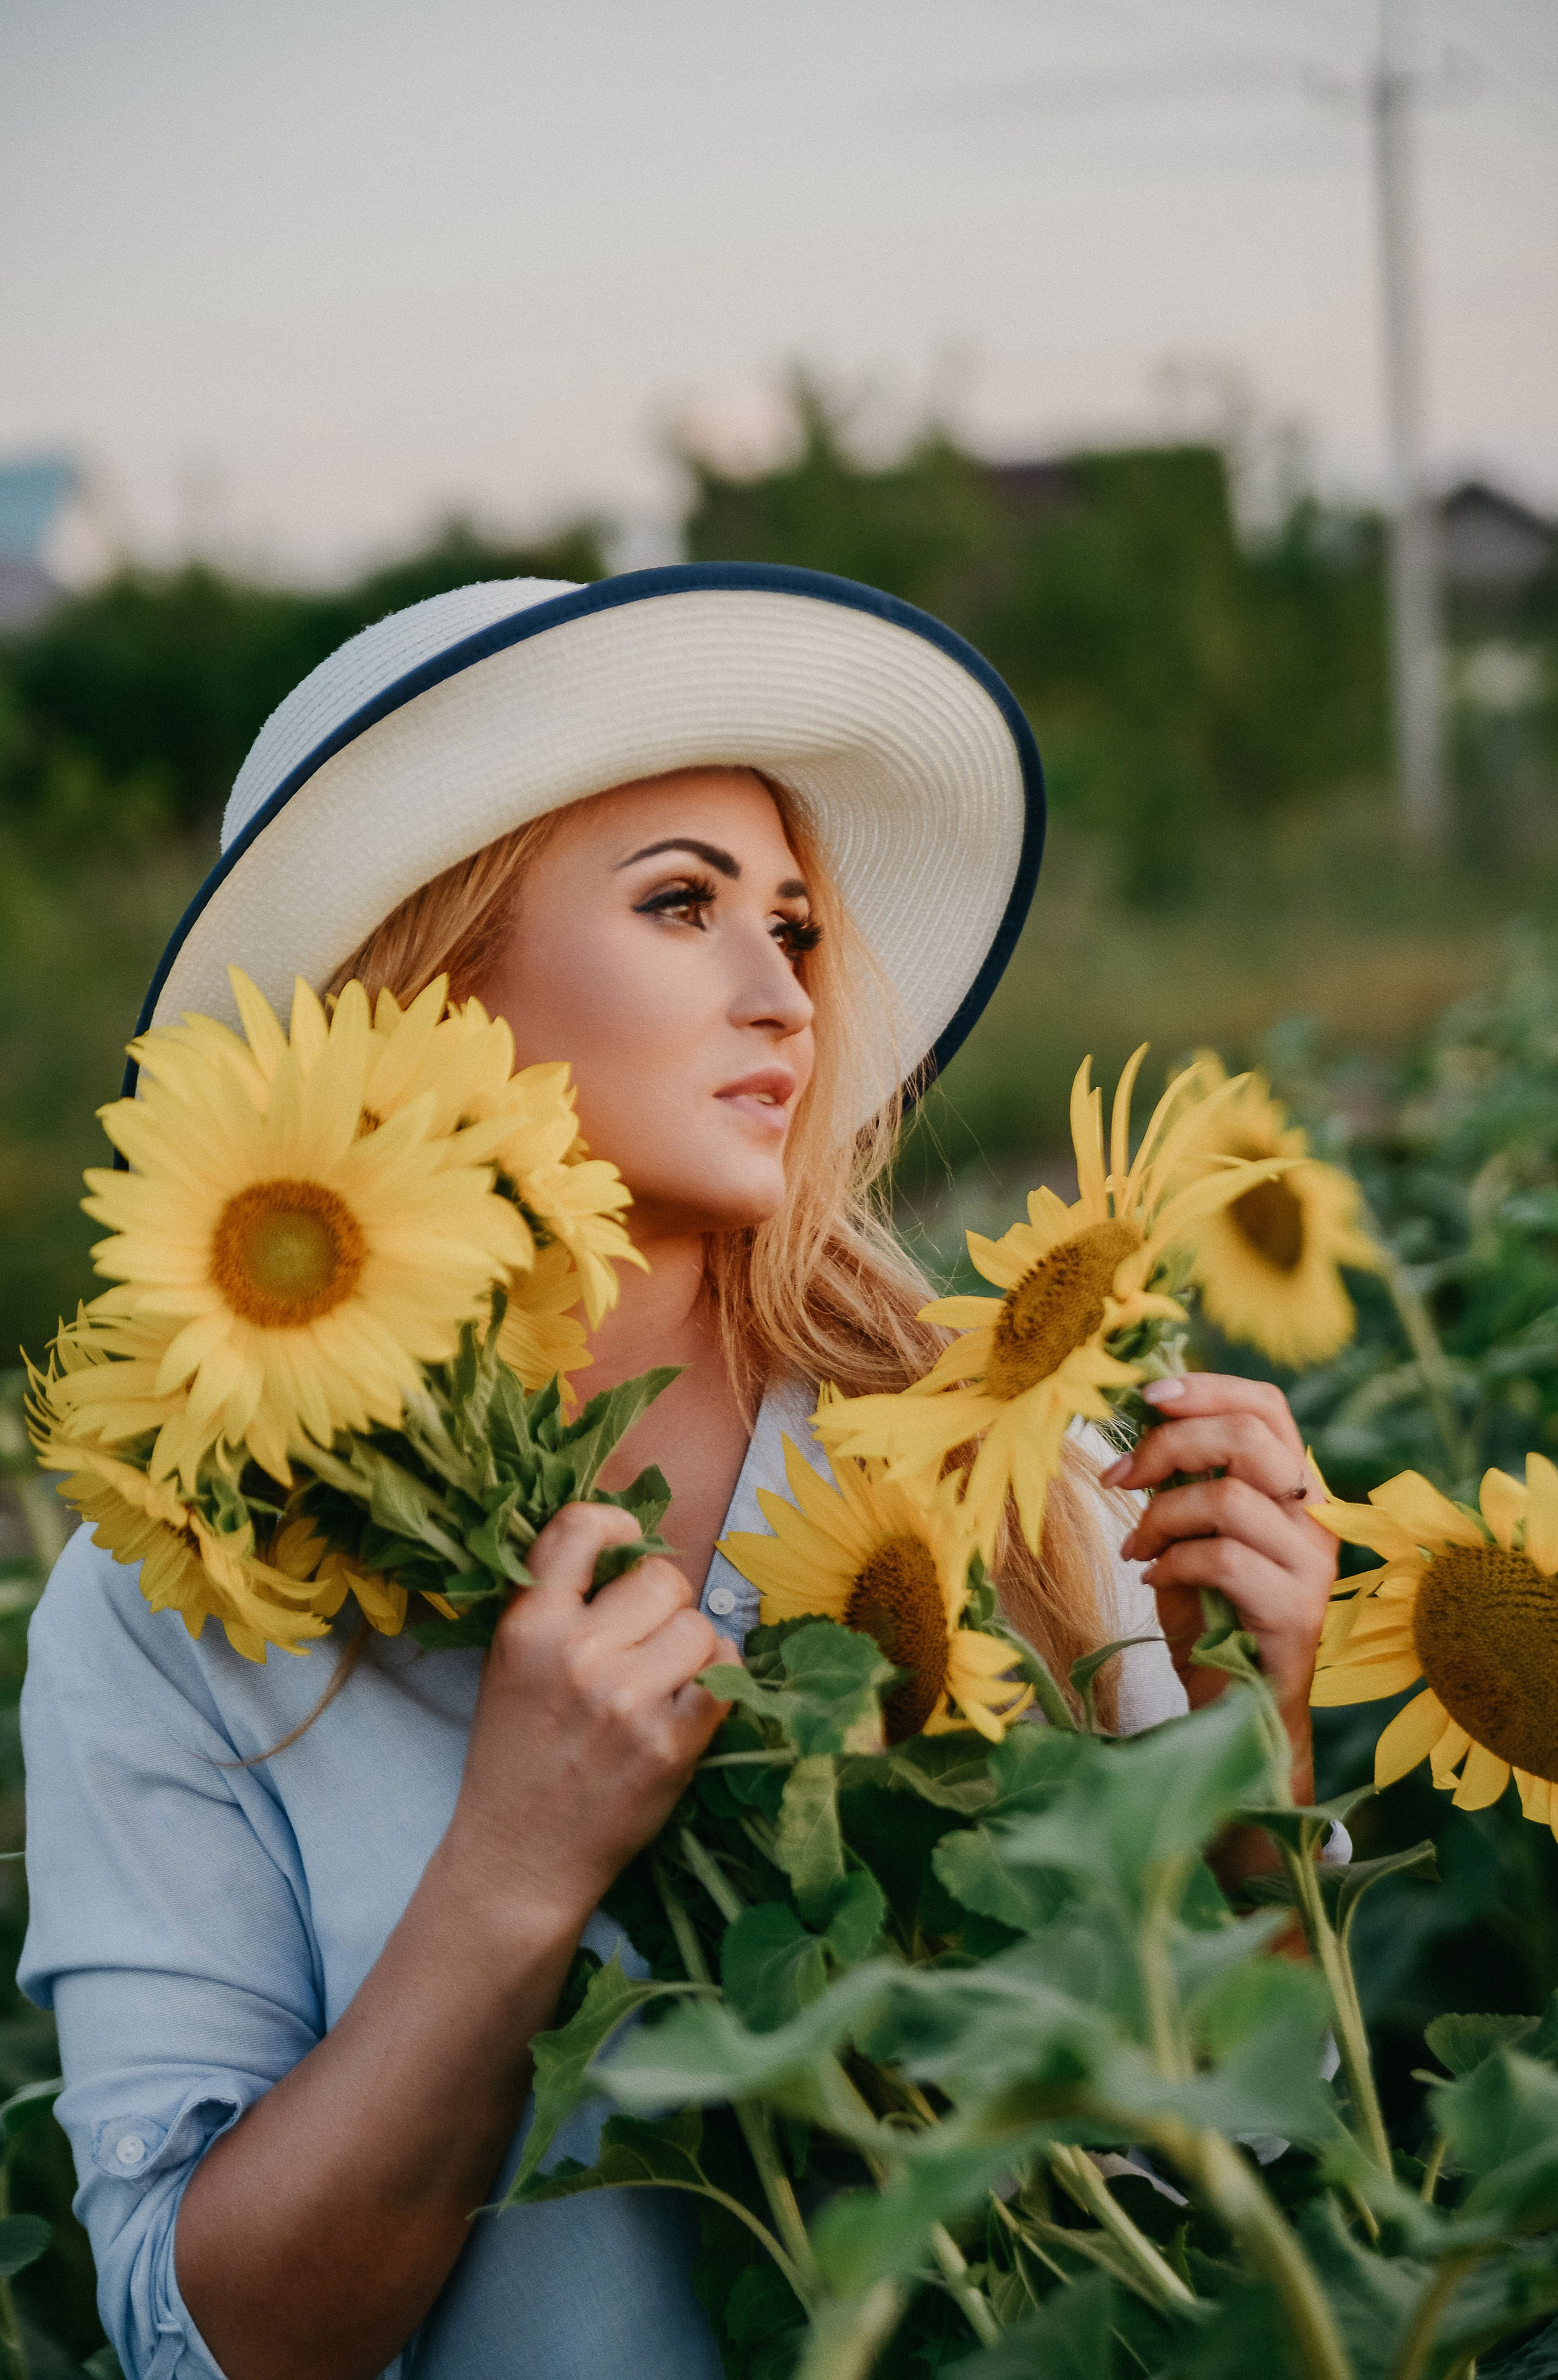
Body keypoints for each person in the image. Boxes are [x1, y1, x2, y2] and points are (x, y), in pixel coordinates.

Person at [19, 564, 1337, 2380]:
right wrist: (507, 1878)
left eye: (794, 926)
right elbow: (205, 2343)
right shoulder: (181, 1584)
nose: (781, 992)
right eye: (681, 905)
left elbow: (1227, 2176)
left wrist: (1247, 1773)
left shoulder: (1014, 1451)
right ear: (424, 984)